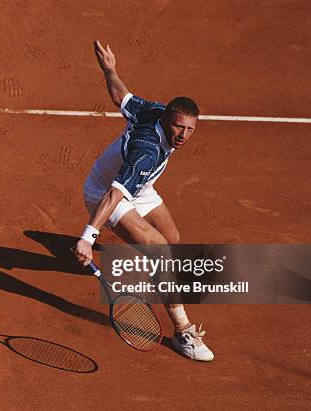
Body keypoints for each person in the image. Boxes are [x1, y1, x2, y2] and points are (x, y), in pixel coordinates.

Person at [73, 40, 214, 361]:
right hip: (106, 192)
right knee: (161, 250)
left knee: (172, 240)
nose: (183, 135)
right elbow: (114, 194)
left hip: (141, 188)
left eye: (190, 128)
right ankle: (183, 332)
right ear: (168, 121)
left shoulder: (153, 110)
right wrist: (88, 235)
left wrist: (109, 69)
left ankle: (160, 276)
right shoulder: (146, 152)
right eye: (179, 127)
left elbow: (120, 96)